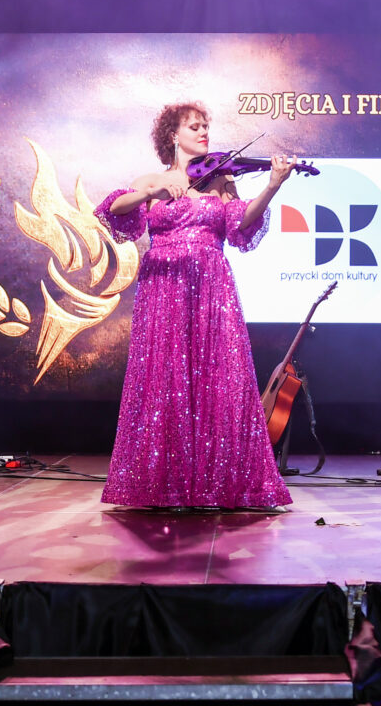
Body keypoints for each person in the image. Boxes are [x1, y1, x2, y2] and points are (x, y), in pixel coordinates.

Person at [93, 102, 298, 510]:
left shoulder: (221, 179)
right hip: (162, 289)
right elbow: (112, 210)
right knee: (164, 380)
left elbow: (241, 223)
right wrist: (151, 192)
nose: (204, 132)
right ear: (173, 135)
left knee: (220, 377)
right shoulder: (152, 180)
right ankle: (164, 485)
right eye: (194, 126)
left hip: (211, 286)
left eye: (206, 126)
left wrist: (273, 185)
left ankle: (220, 484)